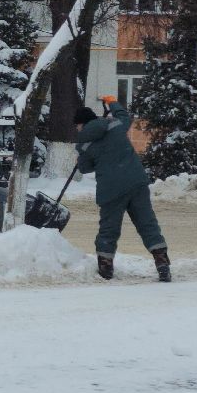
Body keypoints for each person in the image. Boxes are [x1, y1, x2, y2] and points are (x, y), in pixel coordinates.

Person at [74, 104, 170, 282]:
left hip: (111, 189)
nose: (77, 129)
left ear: (81, 124)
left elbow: (85, 168)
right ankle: (162, 262)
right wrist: (112, 103)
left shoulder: (84, 144)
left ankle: (105, 267)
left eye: (77, 125)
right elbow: (125, 116)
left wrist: (80, 159)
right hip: (136, 182)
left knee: (109, 229)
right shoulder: (116, 125)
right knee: (147, 223)